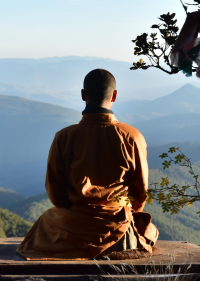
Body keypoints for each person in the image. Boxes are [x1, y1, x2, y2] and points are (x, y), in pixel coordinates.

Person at [17, 69, 158, 260]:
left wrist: (76, 214)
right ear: (114, 95)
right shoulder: (132, 136)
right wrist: (129, 213)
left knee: (46, 221)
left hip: (74, 223)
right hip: (118, 224)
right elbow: (141, 190)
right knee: (151, 230)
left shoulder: (64, 137)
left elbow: (55, 192)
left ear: (83, 95)